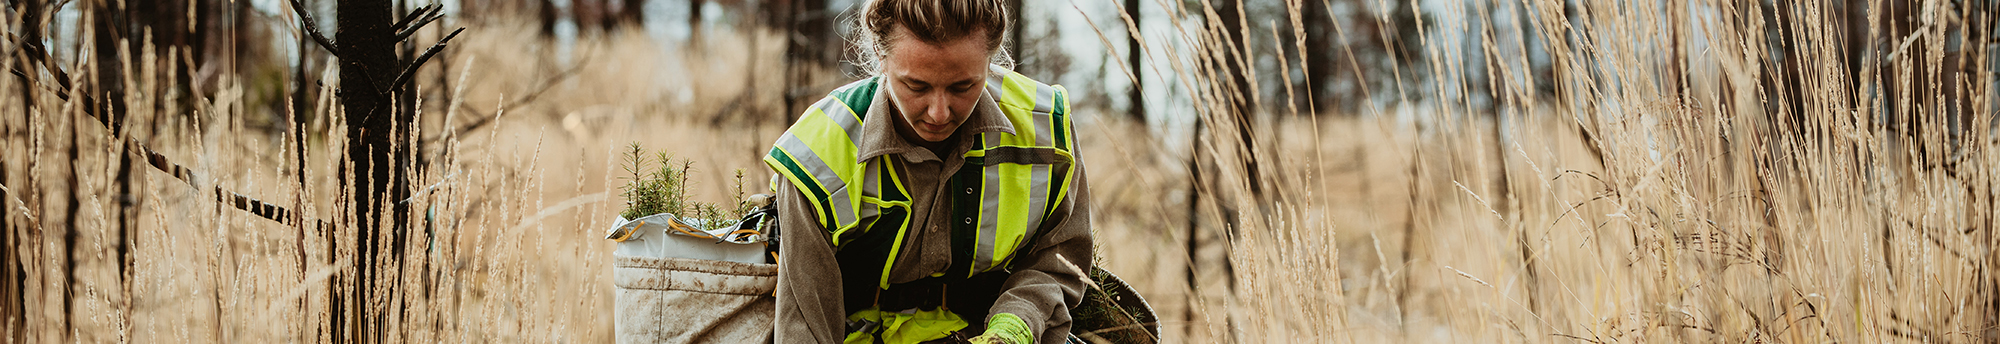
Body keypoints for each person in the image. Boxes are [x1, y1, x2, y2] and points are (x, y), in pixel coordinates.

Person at [760, 0, 1092, 343]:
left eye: (962, 87)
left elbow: (1061, 259)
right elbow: (806, 327)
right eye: (916, 86)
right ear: (879, 54)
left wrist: (1017, 325)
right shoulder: (815, 155)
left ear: (991, 59)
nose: (938, 112)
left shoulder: (1047, 130)